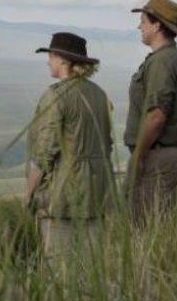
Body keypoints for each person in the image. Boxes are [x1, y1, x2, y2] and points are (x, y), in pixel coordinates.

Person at [26, 32, 116, 262]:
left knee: (59, 272)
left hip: (62, 199)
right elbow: (107, 145)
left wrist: (29, 194)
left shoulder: (55, 96)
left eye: (52, 56)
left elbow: (43, 154)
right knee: (92, 271)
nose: (49, 61)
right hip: (97, 196)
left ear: (64, 61)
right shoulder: (100, 95)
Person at [124, 0, 177, 225]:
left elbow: (157, 116)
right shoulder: (171, 58)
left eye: (143, 21)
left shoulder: (162, 61)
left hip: (155, 157)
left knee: (142, 231)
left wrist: (139, 156)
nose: (139, 27)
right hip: (162, 156)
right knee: (156, 230)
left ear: (157, 25)